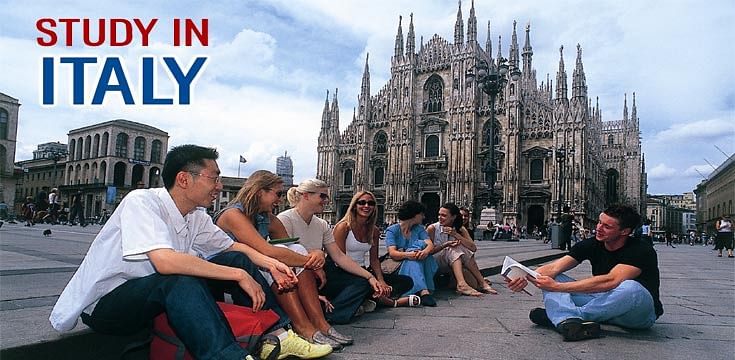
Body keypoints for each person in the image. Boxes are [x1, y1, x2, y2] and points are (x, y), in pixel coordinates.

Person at [49, 145, 329, 360]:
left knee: (236, 258)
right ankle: (227, 355)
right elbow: (164, 262)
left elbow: (233, 246)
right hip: (109, 305)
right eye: (214, 178)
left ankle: (277, 334)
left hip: (155, 300)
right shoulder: (142, 201)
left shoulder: (195, 215)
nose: (219, 186)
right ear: (184, 179)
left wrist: (270, 263)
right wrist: (239, 275)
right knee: (180, 277)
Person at [214, 170, 348, 351]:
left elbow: (291, 249)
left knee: (295, 250)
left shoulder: (266, 218)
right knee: (280, 258)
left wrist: (314, 254)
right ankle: (303, 328)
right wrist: (312, 261)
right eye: (277, 194)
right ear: (260, 191)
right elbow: (267, 250)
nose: (280, 200)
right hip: (226, 271)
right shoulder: (233, 214)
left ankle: (320, 324)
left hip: (257, 265)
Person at [507, 204, 663, 342]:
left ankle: (564, 317)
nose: (598, 228)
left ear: (624, 231)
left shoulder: (641, 249)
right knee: (554, 276)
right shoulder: (593, 243)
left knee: (630, 288)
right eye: (600, 222)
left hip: (636, 313)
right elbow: (555, 268)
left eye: (607, 226)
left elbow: (611, 281)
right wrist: (524, 277)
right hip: (603, 304)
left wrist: (557, 288)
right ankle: (566, 319)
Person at [277, 179, 388, 324]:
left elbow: (339, 256)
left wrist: (370, 277)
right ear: (306, 196)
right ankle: (331, 310)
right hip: (295, 277)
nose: (327, 200)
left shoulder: (322, 224)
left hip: (319, 278)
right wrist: (314, 263)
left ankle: (329, 312)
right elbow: (282, 256)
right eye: (322, 196)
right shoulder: (285, 219)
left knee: (362, 283)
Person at [332, 191, 417, 308]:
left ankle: (372, 297)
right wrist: (369, 278)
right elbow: (339, 260)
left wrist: (381, 281)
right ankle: (390, 302)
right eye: (362, 202)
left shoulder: (374, 231)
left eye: (371, 203)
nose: (366, 206)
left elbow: (374, 260)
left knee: (406, 281)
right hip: (342, 272)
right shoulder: (343, 227)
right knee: (364, 284)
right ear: (354, 206)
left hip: (363, 271)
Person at [427, 203, 497, 296]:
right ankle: (462, 284)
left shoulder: (460, 229)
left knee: (474, 285)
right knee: (453, 248)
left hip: (454, 263)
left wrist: (456, 235)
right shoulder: (432, 228)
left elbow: (473, 248)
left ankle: (481, 282)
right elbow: (428, 252)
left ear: (453, 217)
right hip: (435, 263)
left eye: (444, 215)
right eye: (439, 214)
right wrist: (445, 245)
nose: (440, 217)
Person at [384, 200, 439, 306]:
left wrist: (424, 252)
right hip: (398, 265)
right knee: (414, 257)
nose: (423, 217)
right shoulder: (392, 230)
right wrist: (410, 254)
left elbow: (430, 245)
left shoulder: (419, 229)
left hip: (417, 261)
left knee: (421, 252)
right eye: (422, 214)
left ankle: (422, 292)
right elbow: (393, 253)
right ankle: (425, 292)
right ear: (415, 214)